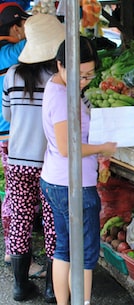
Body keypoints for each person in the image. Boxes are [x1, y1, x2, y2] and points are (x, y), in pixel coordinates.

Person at [40, 36, 117, 305]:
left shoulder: (56, 85)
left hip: (56, 180)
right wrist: (102, 146)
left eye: (88, 76)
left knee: (64, 249)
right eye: (79, 75)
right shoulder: (62, 97)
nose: (83, 82)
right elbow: (67, 147)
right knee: (84, 253)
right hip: (72, 185)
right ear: (60, 65)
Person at [2, 13, 65, 302]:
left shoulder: (11, 75)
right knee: (53, 221)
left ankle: (19, 287)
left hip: (17, 161)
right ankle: (53, 289)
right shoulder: (58, 78)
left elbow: (8, 116)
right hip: (50, 162)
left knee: (20, 219)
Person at [0, 0, 27, 266]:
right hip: (9, 134)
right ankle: (15, 253)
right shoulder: (12, 50)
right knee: (16, 198)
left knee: (13, 195)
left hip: (3, 133)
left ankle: (13, 249)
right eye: (24, 24)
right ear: (16, 26)